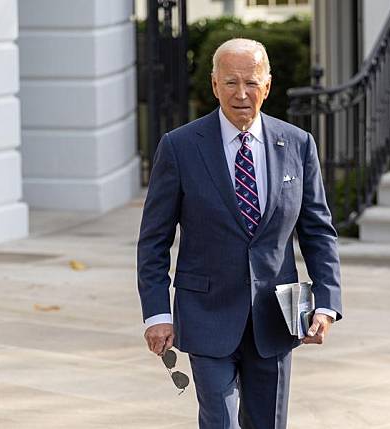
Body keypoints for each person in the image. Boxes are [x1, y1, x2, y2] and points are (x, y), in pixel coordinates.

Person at [137, 38, 342, 428]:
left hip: (276, 318)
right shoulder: (179, 147)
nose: (241, 93)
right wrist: (157, 313)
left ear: (268, 85)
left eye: (251, 82)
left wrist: (327, 303)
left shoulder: (298, 145)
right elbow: (153, 240)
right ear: (214, 85)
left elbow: (318, 231)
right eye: (230, 82)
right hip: (205, 314)